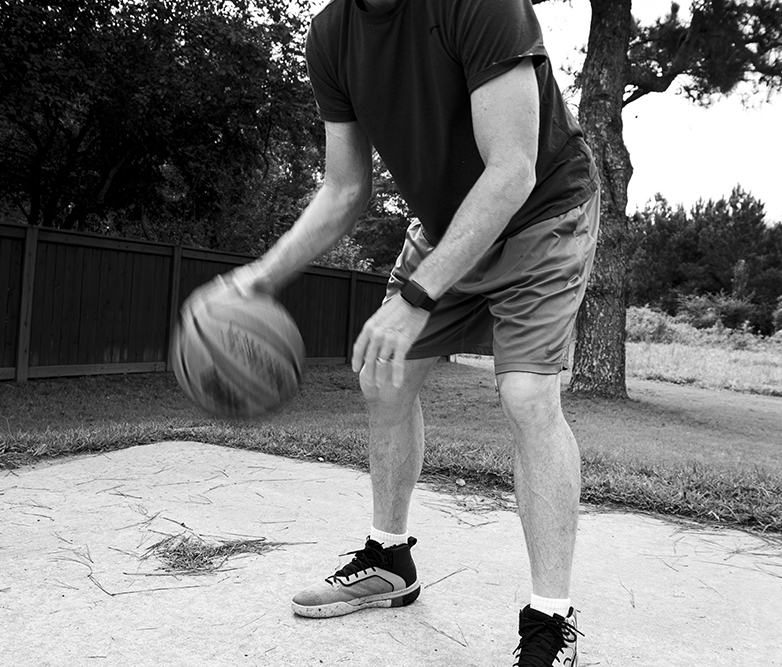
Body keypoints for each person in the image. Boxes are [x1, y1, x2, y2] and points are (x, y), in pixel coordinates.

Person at [215, 0, 600, 663]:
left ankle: (549, 619)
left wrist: (419, 295)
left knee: (529, 396)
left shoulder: (481, 6)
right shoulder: (333, 35)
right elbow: (343, 189)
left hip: (542, 213)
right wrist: (260, 276)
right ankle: (389, 559)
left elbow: (512, 171)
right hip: (448, 222)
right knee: (383, 373)